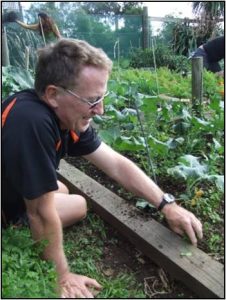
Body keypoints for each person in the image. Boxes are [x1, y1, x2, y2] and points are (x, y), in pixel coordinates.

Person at [2, 38, 203, 298]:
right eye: (92, 100)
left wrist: (167, 205)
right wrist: (62, 277)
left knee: (60, 190)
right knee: (75, 206)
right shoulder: (31, 121)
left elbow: (116, 165)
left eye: (103, 97)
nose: (101, 109)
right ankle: (13, 225)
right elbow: (40, 214)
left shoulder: (61, 116)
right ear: (53, 94)